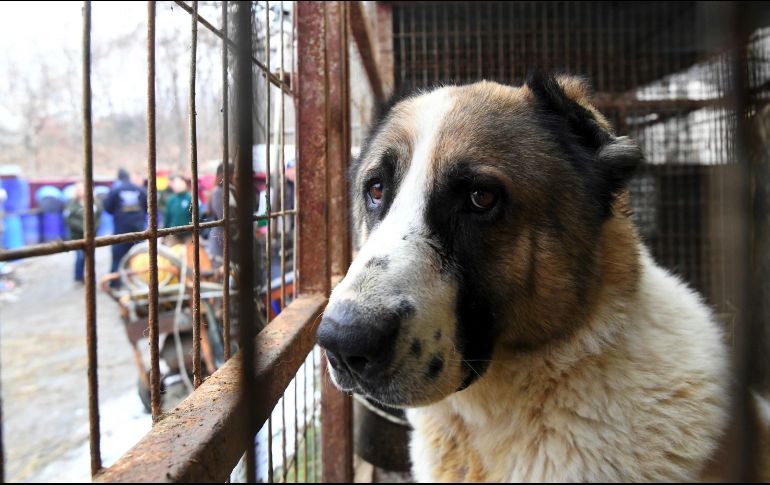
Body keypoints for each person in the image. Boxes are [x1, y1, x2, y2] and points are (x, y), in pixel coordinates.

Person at [103, 168, 147, 283]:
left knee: (117, 257)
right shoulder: (140, 190)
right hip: (138, 229)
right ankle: (139, 282)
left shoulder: (115, 190)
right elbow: (147, 206)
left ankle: (114, 282)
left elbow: (107, 207)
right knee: (138, 256)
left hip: (121, 229)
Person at [64, 182, 102, 283]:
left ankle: (89, 276)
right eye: (80, 189)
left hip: (91, 236)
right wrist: (83, 227)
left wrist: (93, 228)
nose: (83, 191)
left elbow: (99, 217)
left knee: (89, 257)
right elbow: (69, 219)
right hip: (77, 236)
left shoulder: (95, 202)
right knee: (80, 257)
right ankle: (78, 276)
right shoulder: (72, 203)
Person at [164, 175, 193, 244]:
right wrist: (164, 233)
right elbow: (167, 217)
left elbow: (197, 215)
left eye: (179, 182)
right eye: (175, 183)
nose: (177, 185)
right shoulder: (171, 199)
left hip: (189, 233)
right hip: (174, 233)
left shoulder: (190, 198)